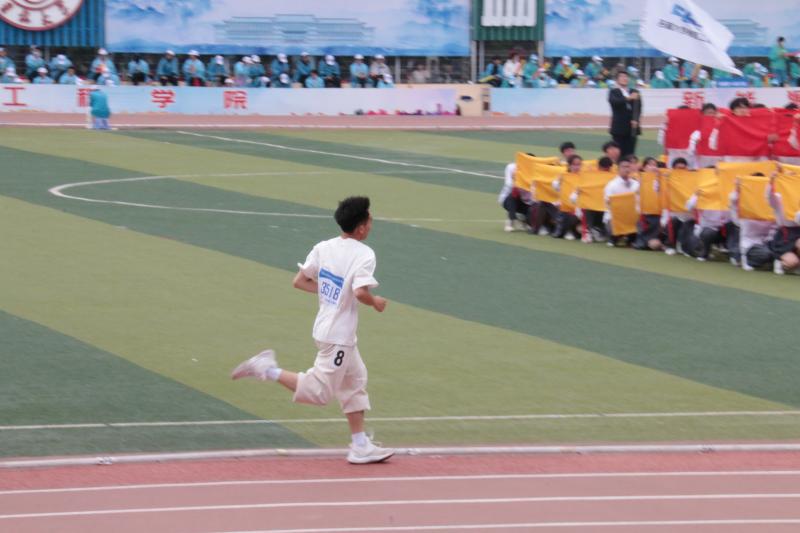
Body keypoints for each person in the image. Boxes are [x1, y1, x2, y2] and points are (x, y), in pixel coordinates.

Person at [231, 196, 394, 465]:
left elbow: (300, 281)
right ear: (361, 227)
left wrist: (334, 292)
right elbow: (360, 292)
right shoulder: (364, 254)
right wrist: (375, 302)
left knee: (355, 381)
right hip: (338, 336)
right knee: (319, 392)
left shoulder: (323, 247)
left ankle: (360, 445)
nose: (372, 223)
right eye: (369, 219)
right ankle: (267, 369)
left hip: (327, 328)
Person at [766, 172, 800, 274]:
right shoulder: (778, 197)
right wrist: (771, 181)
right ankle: (779, 261)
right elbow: (769, 197)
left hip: (798, 233)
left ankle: (797, 264)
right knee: (792, 261)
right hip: (785, 235)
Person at [604, 155, 640, 246]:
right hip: (616, 217)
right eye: (624, 167)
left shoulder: (636, 184)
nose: (626, 169)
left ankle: (629, 238)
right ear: (618, 169)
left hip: (631, 217)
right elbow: (608, 203)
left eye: (628, 167)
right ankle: (615, 237)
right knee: (614, 237)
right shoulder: (612, 185)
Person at [608, 70, 641, 157]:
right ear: (617, 80)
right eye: (622, 77)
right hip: (619, 127)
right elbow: (615, 102)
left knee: (631, 153)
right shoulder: (614, 92)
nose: (624, 78)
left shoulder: (634, 91)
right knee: (619, 152)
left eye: (626, 77)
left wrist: (636, 120)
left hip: (632, 127)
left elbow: (638, 107)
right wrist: (629, 98)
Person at [499, 158, 533, 232]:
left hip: (526, 201)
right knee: (513, 196)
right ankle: (510, 221)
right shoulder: (512, 167)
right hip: (507, 199)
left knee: (534, 210)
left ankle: (524, 220)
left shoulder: (534, 171)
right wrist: (519, 181)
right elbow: (508, 184)